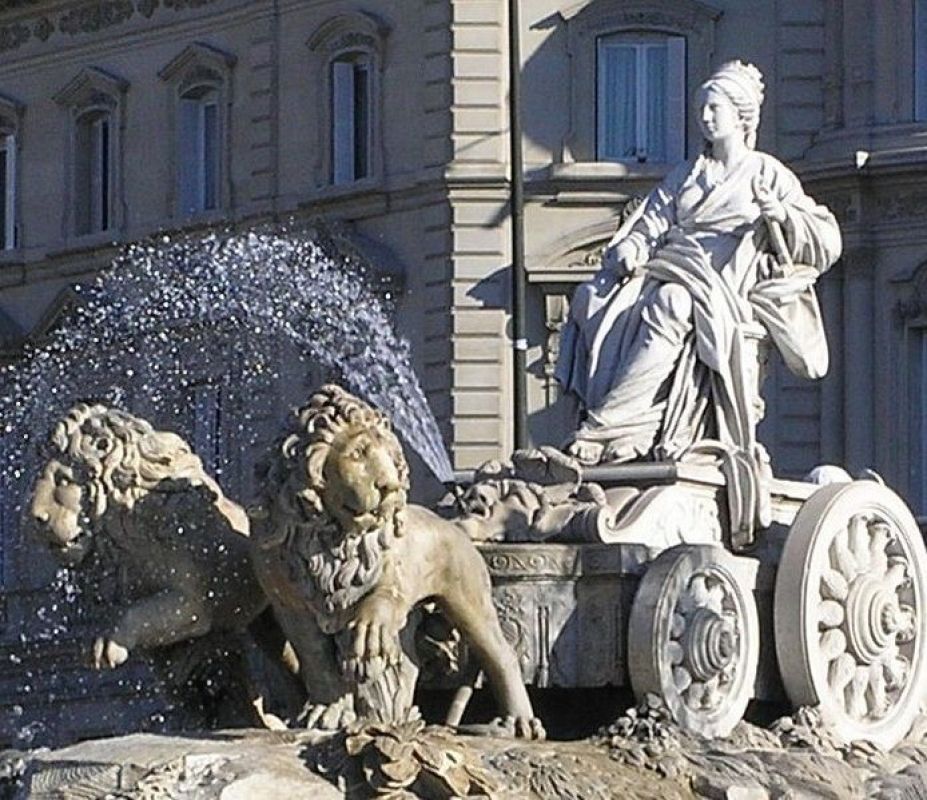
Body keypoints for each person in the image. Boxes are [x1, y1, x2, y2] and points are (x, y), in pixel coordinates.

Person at [554, 61, 842, 541]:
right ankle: (625, 430)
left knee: (671, 303)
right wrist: (631, 248)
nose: (705, 117)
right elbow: (650, 224)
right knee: (594, 299)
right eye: (701, 109)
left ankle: (608, 427)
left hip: (728, 293)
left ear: (741, 115)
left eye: (714, 108)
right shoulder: (686, 175)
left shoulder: (767, 175)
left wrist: (783, 216)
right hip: (674, 270)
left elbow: (827, 240)